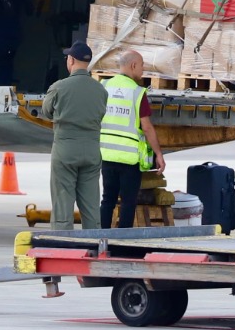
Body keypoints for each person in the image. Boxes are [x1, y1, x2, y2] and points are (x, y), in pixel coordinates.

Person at [42, 41, 106, 230]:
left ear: (71, 60)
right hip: (92, 151)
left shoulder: (59, 87)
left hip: (66, 150)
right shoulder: (101, 90)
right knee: (91, 205)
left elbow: (46, 112)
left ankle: (63, 241)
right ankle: (94, 241)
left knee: (63, 203)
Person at [98, 49, 166, 229]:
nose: (143, 70)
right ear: (133, 65)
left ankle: (102, 237)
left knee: (107, 199)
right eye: (142, 65)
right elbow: (147, 127)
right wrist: (158, 154)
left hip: (107, 155)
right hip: (129, 158)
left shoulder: (104, 86)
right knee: (128, 202)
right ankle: (122, 240)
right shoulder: (137, 92)